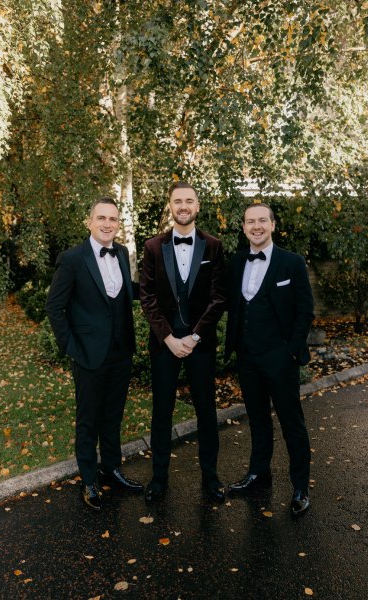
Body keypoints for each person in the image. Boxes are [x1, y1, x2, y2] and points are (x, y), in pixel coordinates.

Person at [45, 197, 143, 511]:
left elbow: (125, 292)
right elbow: (54, 307)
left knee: (113, 416)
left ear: (118, 224)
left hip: (121, 351)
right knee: (88, 420)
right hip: (87, 354)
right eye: (101, 218)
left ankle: (111, 468)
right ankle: (89, 479)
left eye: (112, 219)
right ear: (90, 222)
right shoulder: (72, 258)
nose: (107, 224)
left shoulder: (123, 252)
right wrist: (71, 347)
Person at [225, 202, 314, 516]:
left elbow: (305, 310)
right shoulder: (237, 262)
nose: (256, 226)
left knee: (292, 424)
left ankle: (300, 487)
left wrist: (291, 350)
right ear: (244, 227)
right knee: (258, 420)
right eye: (251, 221)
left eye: (263, 220)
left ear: (273, 225)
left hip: (280, 358)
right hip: (247, 357)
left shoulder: (291, 263)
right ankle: (259, 475)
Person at [140, 181, 226, 504]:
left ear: (198, 206)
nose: (183, 206)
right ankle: (159, 479)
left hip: (200, 345)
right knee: (161, 412)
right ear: (170, 206)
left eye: (189, 200)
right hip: (164, 346)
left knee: (206, 411)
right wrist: (168, 338)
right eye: (178, 201)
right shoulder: (152, 247)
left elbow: (218, 299)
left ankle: (211, 478)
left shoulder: (214, 247)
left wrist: (193, 337)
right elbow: (147, 298)